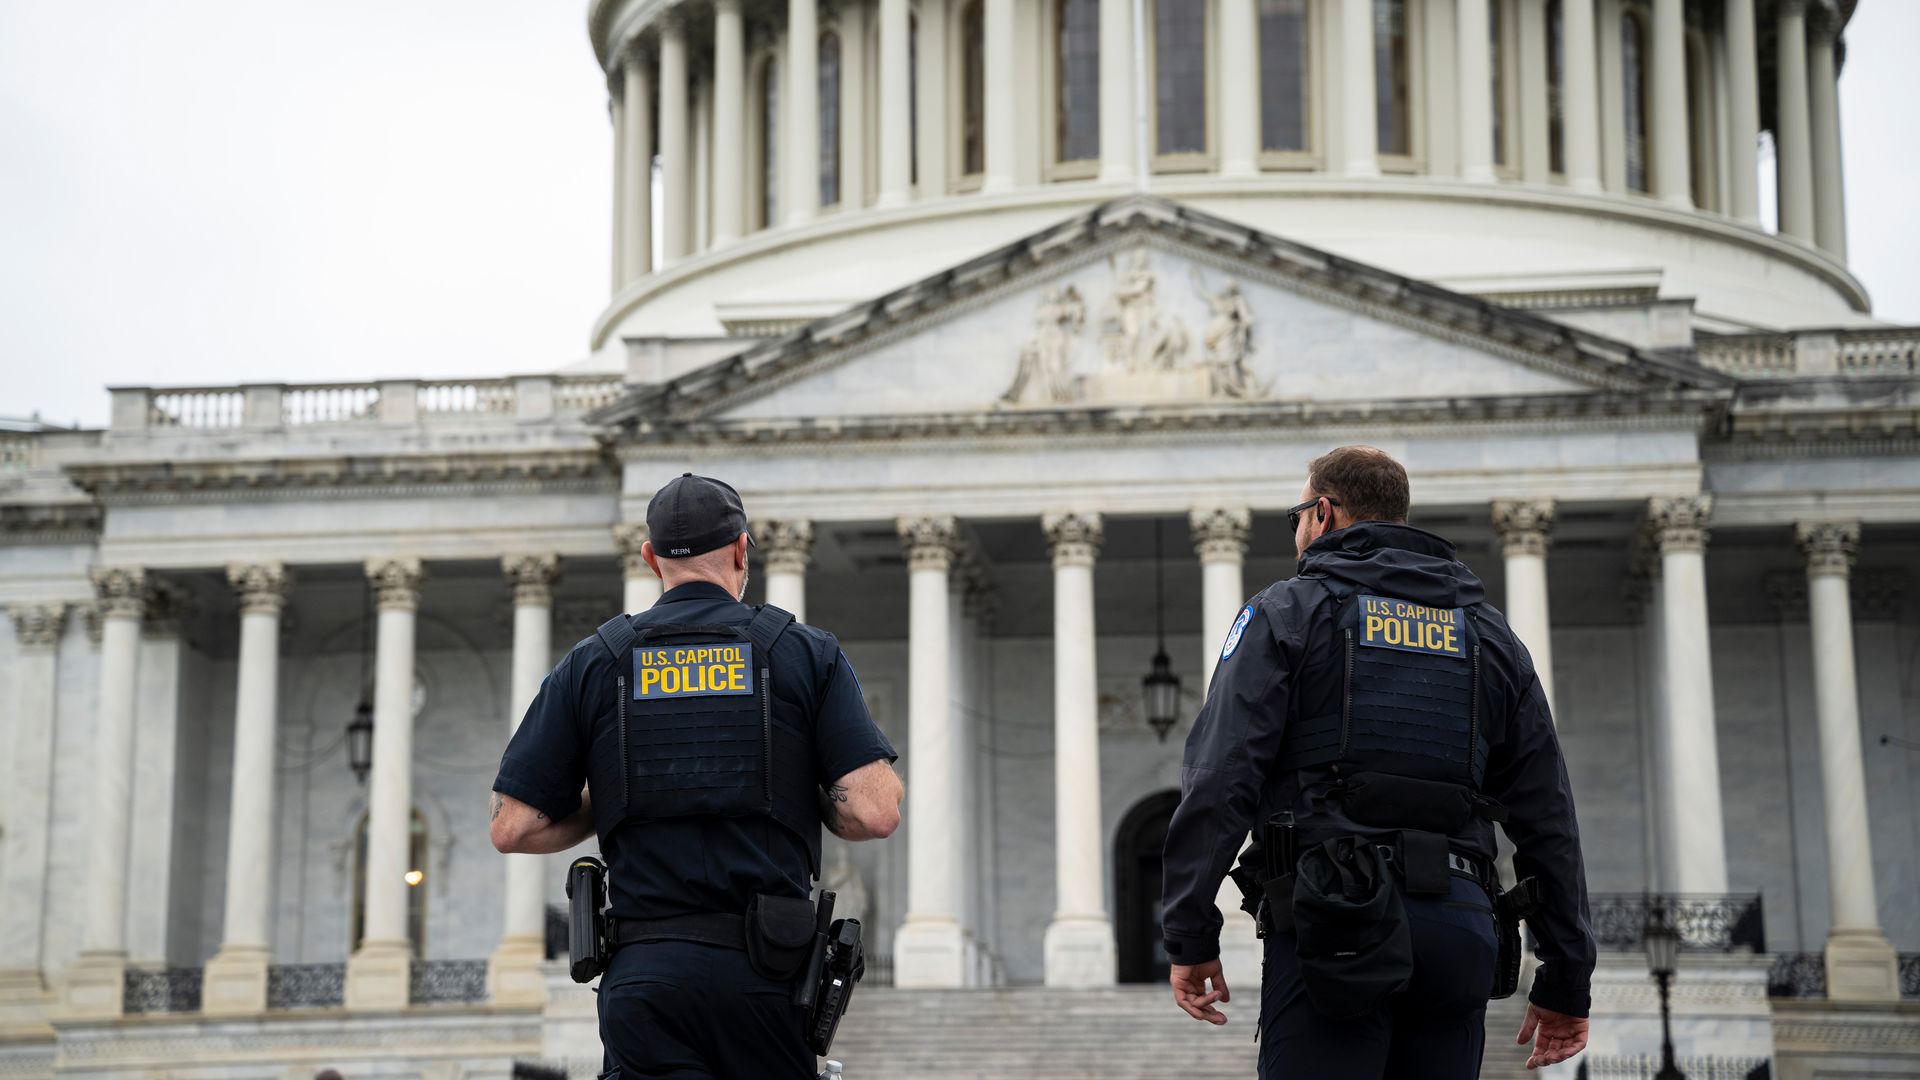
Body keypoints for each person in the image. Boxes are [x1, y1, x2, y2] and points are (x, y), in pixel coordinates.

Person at [1159, 446, 1595, 1077]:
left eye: (1297, 516)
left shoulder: (1287, 614)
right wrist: (1566, 973)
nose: (1298, 533)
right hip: (1462, 923)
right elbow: (1549, 817)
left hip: (1335, 919)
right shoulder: (1492, 636)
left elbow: (1221, 780)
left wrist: (1190, 932)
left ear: (1325, 513)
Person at [489, 473, 904, 1079]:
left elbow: (512, 825)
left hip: (644, 976)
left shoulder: (596, 660)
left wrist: (615, 796)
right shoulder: (802, 652)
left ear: (651, 559)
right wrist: (791, 780)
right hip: (766, 977)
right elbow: (875, 810)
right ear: (741, 549)